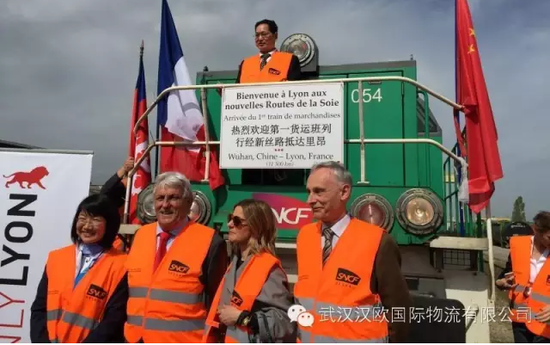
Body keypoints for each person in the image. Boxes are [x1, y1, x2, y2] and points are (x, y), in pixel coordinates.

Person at [294, 161, 411, 343]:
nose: (310, 200)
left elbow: (399, 310)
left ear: (344, 192)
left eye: (318, 191)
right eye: (308, 192)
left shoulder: (378, 240)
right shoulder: (305, 236)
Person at [123, 171, 228, 343]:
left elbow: (216, 303)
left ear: (188, 203)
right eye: (159, 198)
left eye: (173, 198)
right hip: (135, 339)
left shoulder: (211, 242)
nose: (165, 205)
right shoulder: (140, 236)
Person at [30, 194, 129, 343]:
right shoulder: (56, 258)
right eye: (82, 218)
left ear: (109, 225)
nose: (87, 226)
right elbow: (39, 309)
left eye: (96, 219)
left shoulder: (122, 265)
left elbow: (113, 322)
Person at [203, 199, 296, 342]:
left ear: (255, 227)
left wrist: (243, 318)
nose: (229, 224)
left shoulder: (269, 269)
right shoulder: (234, 262)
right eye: (230, 218)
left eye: (237, 221)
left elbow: (285, 323)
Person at [236, 19, 304, 186]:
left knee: (275, 183)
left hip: (278, 133)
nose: (260, 38)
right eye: (257, 35)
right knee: (251, 181)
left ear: (275, 36)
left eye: (264, 34)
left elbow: (297, 95)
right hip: (250, 132)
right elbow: (236, 94)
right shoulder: (246, 63)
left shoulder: (289, 60)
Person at [495, 211, 550, 342]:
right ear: (535, 230)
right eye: (549, 237)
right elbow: (506, 273)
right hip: (520, 320)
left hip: (545, 323)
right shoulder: (518, 247)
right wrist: (501, 283)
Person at [100, 156, 135, 252]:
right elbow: (104, 193)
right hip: (120, 237)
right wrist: (124, 169)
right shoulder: (121, 188)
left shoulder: (148, 193)